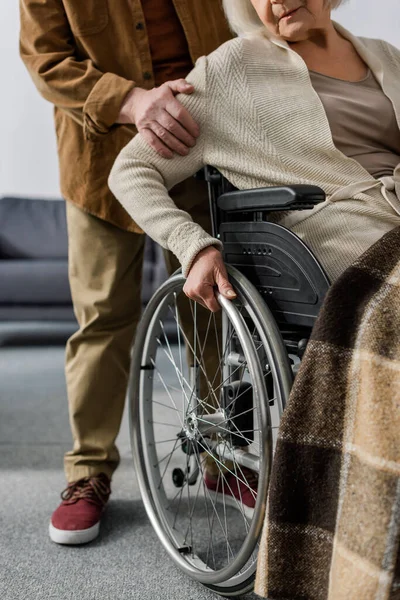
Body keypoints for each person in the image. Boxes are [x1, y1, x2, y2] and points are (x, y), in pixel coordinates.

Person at [19, 0, 233, 545]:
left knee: (208, 306)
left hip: (201, 148)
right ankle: (88, 472)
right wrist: (132, 100)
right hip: (99, 164)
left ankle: (217, 454)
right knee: (103, 320)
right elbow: (45, 59)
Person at [109, 0, 400, 314]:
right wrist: (193, 247)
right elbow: (132, 169)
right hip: (338, 238)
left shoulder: (386, 55)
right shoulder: (232, 68)